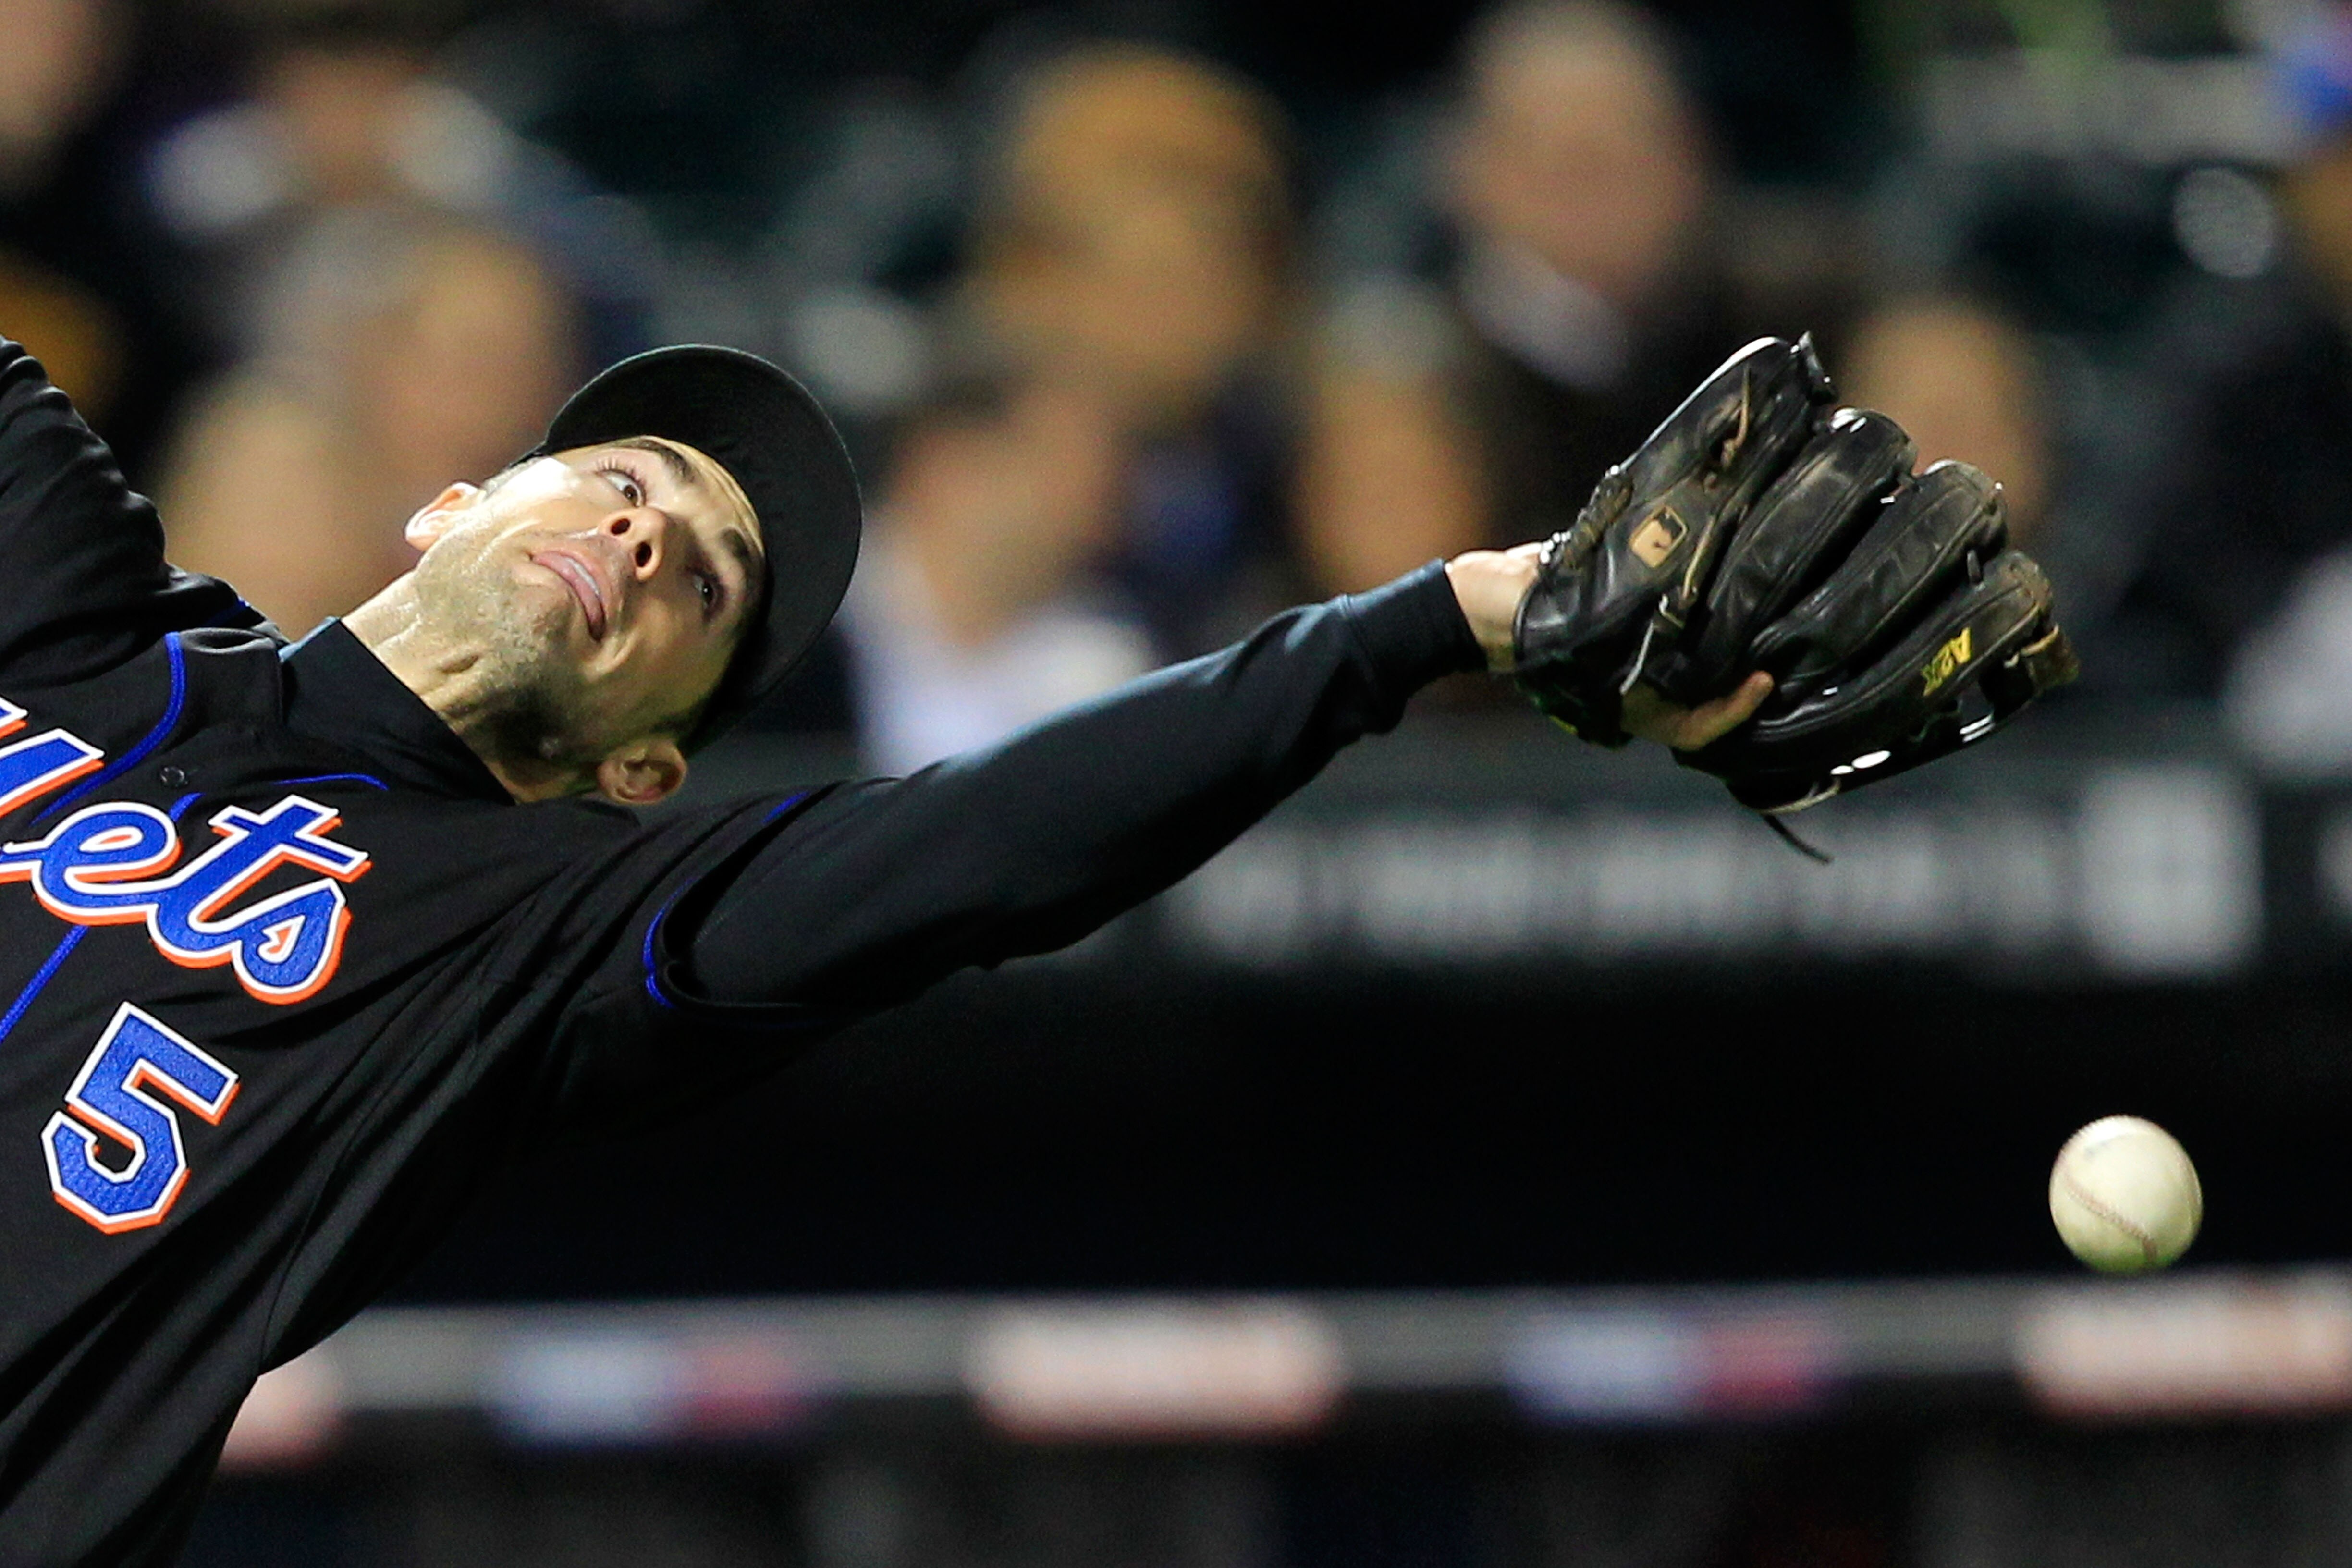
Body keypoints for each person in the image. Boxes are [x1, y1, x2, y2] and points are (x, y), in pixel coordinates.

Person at [0, 331, 1762, 1564]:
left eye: (701, 582)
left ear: (647, 763)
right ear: (452, 502)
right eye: (623, 479)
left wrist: (1417, 620)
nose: (641, 532)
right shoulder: (85, 626)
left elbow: (987, 841)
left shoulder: (549, 932)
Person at [1297, 0, 1739, 595]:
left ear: (1691, 164)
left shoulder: (1775, 330)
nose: (1597, 201)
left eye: (1627, 157)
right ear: (1469, 170)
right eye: (1569, 163)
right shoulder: (1408, 382)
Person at [158, 205, 580, 639]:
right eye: (468, 360)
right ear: (375, 353)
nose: (493, 400)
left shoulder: (551, 525)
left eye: (521, 366)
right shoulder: (274, 451)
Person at [840, 366, 1153, 773]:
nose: (1089, 496)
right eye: (1052, 462)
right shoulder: (814, 605)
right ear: (946, 462)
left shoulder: (1100, 666)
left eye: (1104, 473)